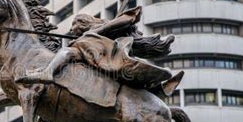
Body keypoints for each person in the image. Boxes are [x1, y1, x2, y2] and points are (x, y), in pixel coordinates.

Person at [16, 6, 183, 97]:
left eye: (74, 25)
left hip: (102, 56)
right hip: (94, 61)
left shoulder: (94, 32)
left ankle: (47, 73)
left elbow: (125, 19)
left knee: (67, 52)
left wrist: (98, 31)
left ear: (82, 23)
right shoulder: (87, 37)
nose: (72, 29)